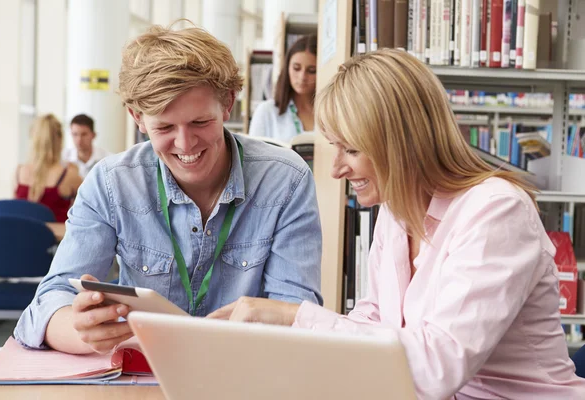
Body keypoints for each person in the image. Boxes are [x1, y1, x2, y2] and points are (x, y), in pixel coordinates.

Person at [208, 49, 585, 399]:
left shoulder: (497, 211)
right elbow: (374, 320)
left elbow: (437, 367)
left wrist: (293, 317)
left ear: (404, 144)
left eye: (351, 150)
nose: (337, 169)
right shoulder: (395, 211)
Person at [13, 23, 322, 355]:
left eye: (200, 122)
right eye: (164, 127)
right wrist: (82, 330)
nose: (185, 144)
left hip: (247, 372)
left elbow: (296, 313)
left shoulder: (286, 180)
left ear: (227, 104)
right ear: (138, 118)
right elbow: (48, 302)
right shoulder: (110, 184)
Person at [249, 35, 317, 143]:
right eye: (296, 68)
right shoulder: (266, 111)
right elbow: (252, 156)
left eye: (312, 70)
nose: (302, 77)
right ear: (287, 69)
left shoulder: (330, 113)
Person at [15, 114, 82, 222]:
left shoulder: (18, 172)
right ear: (59, 139)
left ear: (33, 138)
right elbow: (84, 218)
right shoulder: (69, 175)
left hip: (21, 238)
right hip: (55, 238)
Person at [62, 114, 112, 178]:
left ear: (93, 135)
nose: (79, 139)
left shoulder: (108, 159)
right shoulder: (63, 159)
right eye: (75, 134)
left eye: (84, 134)